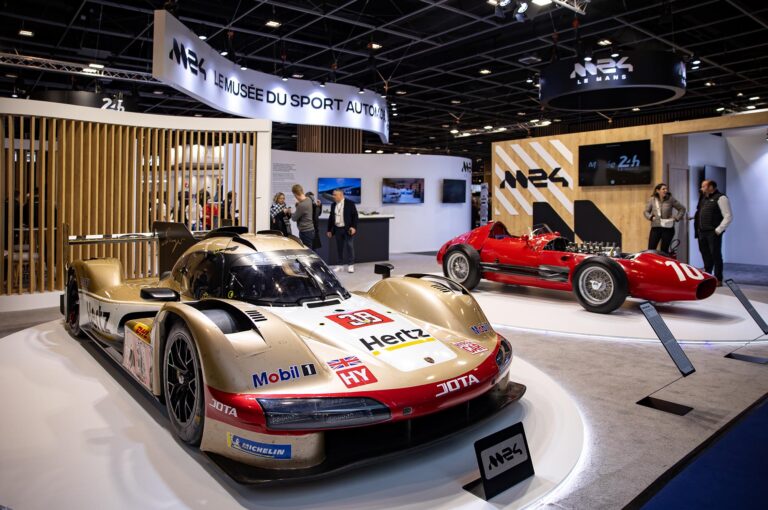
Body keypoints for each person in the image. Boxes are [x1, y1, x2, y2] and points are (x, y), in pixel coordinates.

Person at [694, 179, 732, 285]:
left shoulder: (721, 198)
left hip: (713, 232)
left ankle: (718, 279)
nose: (701, 188)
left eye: (703, 186)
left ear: (711, 187)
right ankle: (707, 277)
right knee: (705, 255)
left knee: (716, 255)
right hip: (702, 232)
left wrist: (718, 230)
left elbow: (728, 216)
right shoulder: (703, 198)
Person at [643, 183, 686, 254]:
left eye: (666, 189)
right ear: (657, 190)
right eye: (663, 189)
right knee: (651, 250)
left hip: (668, 229)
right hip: (656, 228)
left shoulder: (671, 199)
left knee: (664, 251)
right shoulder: (652, 199)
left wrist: (676, 218)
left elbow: (682, 209)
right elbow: (646, 212)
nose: (666, 190)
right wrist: (651, 217)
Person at [326, 188, 359, 273]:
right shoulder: (333, 205)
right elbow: (331, 218)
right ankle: (340, 265)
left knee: (349, 246)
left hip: (347, 229)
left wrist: (354, 227)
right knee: (339, 248)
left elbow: (355, 216)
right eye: (333, 195)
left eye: (335, 195)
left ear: (341, 195)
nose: (333, 196)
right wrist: (329, 230)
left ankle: (351, 265)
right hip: (337, 229)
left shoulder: (350, 203)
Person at [291, 184, 316, 248]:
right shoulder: (309, 199)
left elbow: (294, 218)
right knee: (309, 250)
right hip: (311, 230)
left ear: (295, 194)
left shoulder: (301, 205)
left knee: (306, 251)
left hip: (305, 232)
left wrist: (290, 212)